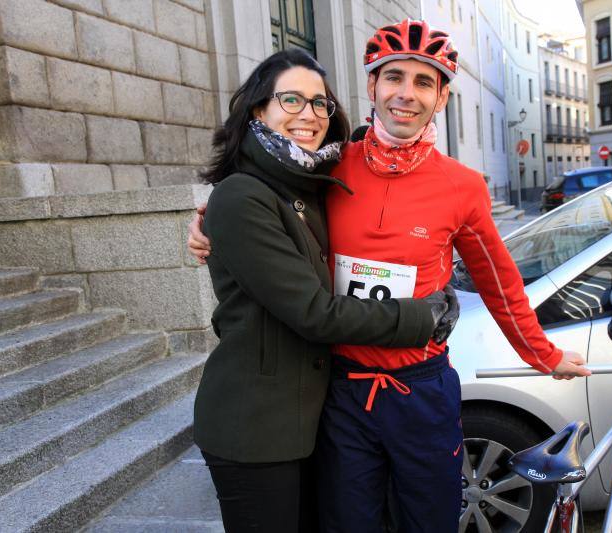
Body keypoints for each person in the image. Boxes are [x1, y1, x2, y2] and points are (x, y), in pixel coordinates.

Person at [189, 20, 590, 533]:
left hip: (420, 390)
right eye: (393, 77)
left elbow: (499, 279)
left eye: (425, 82)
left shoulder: (462, 185)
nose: (407, 94)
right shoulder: (330, 170)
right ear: (372, 87)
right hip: (341, 392)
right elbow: (268, 200)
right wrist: (205, 221)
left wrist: (543, 355)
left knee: (429, 523)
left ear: (442, 97)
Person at [191, 48, 456, 533]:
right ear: (258, 109)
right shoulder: (243, 195)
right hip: (256, 429)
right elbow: (314, 312)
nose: (309, 115)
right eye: (291, 100)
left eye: (319, 103)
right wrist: (420, 318)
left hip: (312, 419)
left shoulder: (307, 183)